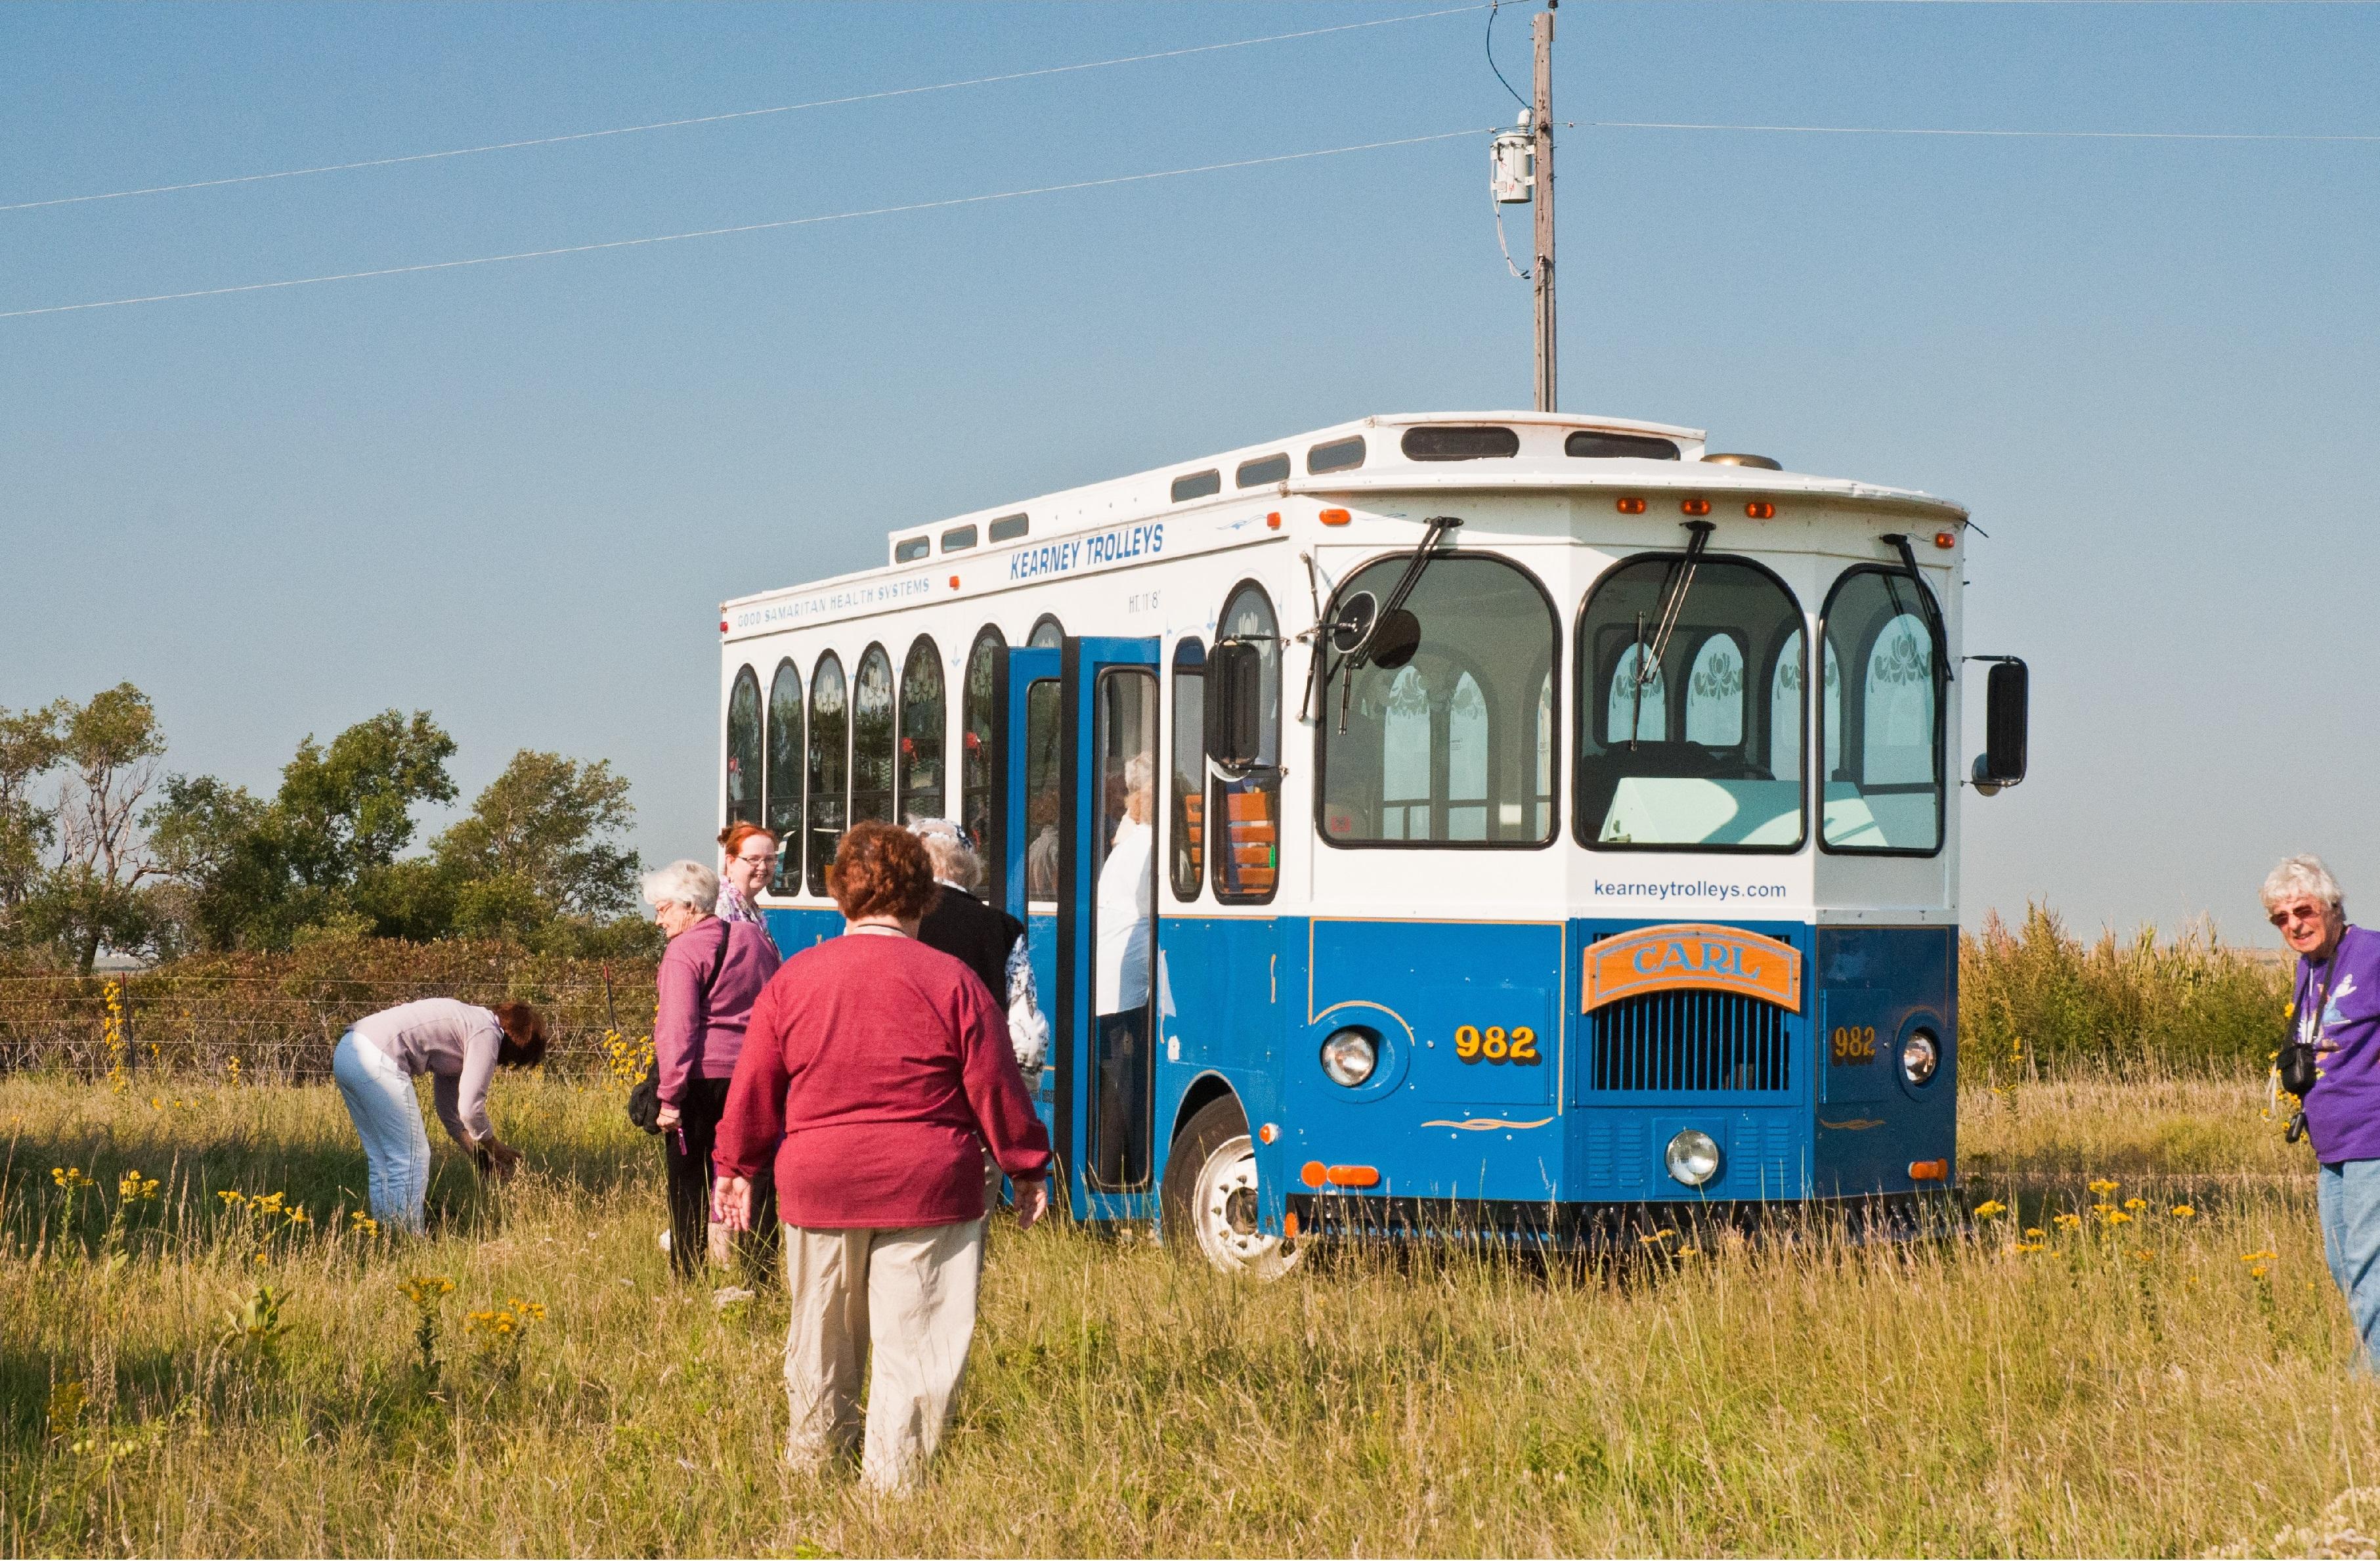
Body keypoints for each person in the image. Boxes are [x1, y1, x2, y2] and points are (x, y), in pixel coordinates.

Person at [713, 822, 1052, 1493]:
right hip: (930, 1187)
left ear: (841, 897)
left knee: (819, 1340)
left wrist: (737, 1168)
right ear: (924, 898)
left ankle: (812, 1472)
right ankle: (893, 1496)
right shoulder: (953, 980)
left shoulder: (795, 979)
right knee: (917, 1348)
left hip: (820, 1185)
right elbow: (996, 1084)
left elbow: (754, 1084)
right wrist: (1026, 1165)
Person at [644, 857, 784, 1284]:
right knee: (755, 1177)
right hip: (752, 1077)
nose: (657, 919)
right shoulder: (754, 939)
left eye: (663, 908)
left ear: (689, 906)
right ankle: (760, 1278)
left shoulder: (683, 951)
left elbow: (676, 1030)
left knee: (689, 1185)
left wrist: (669, 1097)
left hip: (700, 1081)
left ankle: (687, 1279)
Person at [2267, 855, 2380, 1370]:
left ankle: (2369, 1381)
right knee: (2341, 1263)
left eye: (2302, 910)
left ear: (2331, 906)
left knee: (2365, 1261)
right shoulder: (2308, 966)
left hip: (2372, 1133)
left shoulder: (2371, 953)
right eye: (2280, 917)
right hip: (2329, 1139)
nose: (2294, 924)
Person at [331, 998, 546, 1233]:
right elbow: (471, 1110)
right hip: (377, 1057)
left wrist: (481, 1160)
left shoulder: (466, 1029)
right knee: (412, 1156)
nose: (503, 1064)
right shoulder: (488, 1033)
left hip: (349, 1052)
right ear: (517, 1044)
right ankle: (409, 1241)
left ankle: (386, 1236)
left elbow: (451, 1113)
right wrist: (496, 1148)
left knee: (384, 1158)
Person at [909, 818, 1047, 1072]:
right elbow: (1027, 1035)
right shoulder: (1003, 927)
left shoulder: (890, 920)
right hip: (972, 1084)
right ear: (968, 866)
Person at [1091, 754, 1154, 1187]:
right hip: (1129, 983)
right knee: (1125, 1079)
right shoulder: (1151, 845)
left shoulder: (1131, 843)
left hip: (1116, 978)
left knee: (1118, 1075)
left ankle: (1116, 1173)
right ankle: (1120, 1178)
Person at [716, 822, 781, 944]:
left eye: (769, 859)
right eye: (753, 859)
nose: (763, 867)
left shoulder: (749, 906)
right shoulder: (721, 905)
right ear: (731, 862)